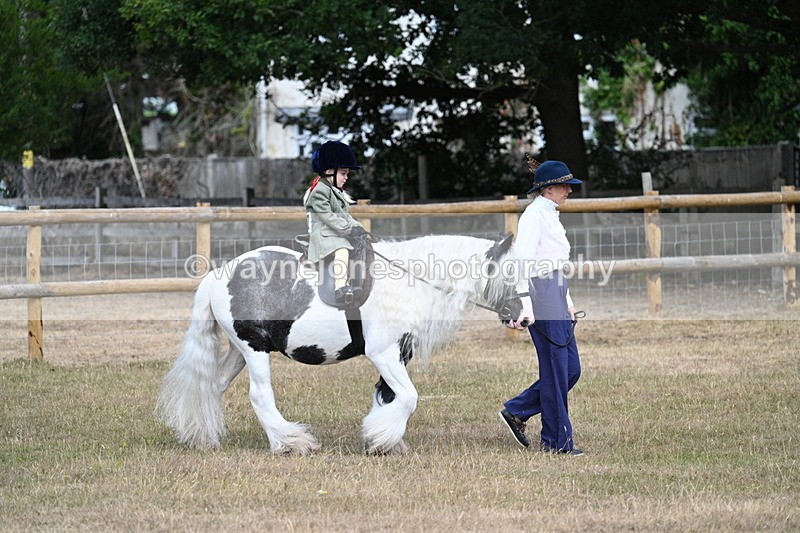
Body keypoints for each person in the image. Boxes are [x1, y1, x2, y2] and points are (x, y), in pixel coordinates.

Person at [499, 157, 585, 456]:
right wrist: (525, 304)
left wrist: (569, 301)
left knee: (570, 370)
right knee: (556, 371)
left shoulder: (550, 213)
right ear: (549, 189)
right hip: (541, 294)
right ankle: (557, 442)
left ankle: (517, 410)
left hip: (555, 292)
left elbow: (556, 263)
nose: (569, 191)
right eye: (565, 186)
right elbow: (521, 262)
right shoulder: (534, 215)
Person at [303, 140, 368, 307]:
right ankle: (341, 288)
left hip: (333, 231)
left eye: (347, 174)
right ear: (330, 171)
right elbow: (328, 216)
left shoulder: (335, 192)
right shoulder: (320, 192)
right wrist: (348, 230)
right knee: (342, 249)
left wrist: (359, 228)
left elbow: (344, 216)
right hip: (323, 234)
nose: (347, 178)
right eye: (344, 173)